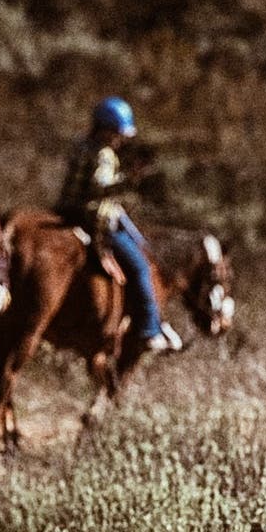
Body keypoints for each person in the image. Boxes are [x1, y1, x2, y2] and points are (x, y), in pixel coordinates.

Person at [57, 94, 183, 357]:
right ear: (107, 130)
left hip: (67, 209)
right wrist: (130, 180)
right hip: (95, 216)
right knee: (139, 266)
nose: (121, 139)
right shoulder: (104, 154)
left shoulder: (81, 145)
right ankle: (150, 329)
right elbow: (101, 186)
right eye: (117, 133)